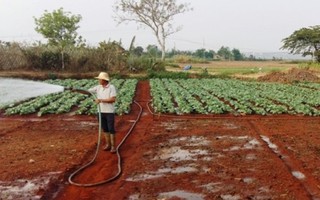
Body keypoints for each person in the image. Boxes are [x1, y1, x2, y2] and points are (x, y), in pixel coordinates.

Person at [73, 72, 117, 153]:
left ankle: (113, 147)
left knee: (111, 129)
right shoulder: (98, 87)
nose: (99, 80)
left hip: (109, 112)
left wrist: (100, 100)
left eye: (100, 79)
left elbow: (113, 99)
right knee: (105, 128)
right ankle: (108, 145)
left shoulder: (111, 87)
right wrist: (77, 90)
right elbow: (87, 92)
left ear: (104, 80)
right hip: (100, 112)